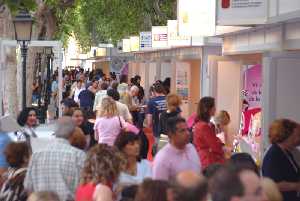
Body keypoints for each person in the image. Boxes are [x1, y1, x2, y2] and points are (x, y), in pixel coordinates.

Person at [24, 117, 86, 201]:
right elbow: (84, 188)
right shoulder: (79, 155)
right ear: (72, 132)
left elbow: (28, 187)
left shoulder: (37, 155)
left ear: (55, 131)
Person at [262, 119, 300, 201]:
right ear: (286, 136)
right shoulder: (274, 155)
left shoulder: (286, 152)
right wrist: (296, 186)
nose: (298, 140)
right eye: (297, 136)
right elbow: (272, 184)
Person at [193, 97, 225, 170]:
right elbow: (215, 146)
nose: (215, 109)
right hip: (208, 160)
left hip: (204, 158)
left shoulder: (202, 123)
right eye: (214, 106)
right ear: (208, 109)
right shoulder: (204, 126)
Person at [147, 83, 167, 154]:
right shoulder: (170, 99)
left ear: (153, 91)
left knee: (159, 151)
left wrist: (149, 125)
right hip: (171, 129)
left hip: (158, 129)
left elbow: (149, 121)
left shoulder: (151, 102)